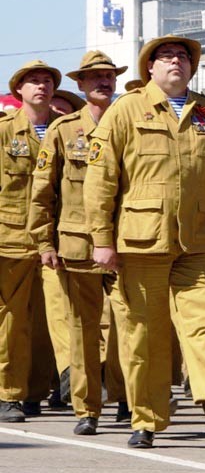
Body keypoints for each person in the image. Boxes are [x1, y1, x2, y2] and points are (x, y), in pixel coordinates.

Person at [84, 35, 205, 448]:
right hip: (141, 240)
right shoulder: (125, 110)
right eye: (166, 57)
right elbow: (101, 179)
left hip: (199, 238)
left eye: (184, 56)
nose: (176, 62)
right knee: (145, 333)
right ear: (150, 67)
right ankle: (146, 418)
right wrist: (101, 240)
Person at [28, 51, 126, 436]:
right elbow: (42, 190)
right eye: (94, 77)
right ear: (81, 85)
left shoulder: (130, 122)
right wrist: (44, 241)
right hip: (76, 245)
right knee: (83, 328)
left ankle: (126, 398)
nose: (103, 82)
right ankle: (87, 407)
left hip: (127, 242)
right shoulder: (64, 129)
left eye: (108, 76)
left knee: (129, 326)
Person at [0, 60, 62, 423]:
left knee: (47, 322)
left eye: (47, 81)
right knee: (11, 320)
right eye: (33, 81)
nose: (41, 86)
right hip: (12, 238)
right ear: (19, 90)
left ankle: (36, 391)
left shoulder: (67, 129)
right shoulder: (6, 132)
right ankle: (8, 393)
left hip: (58, 240)